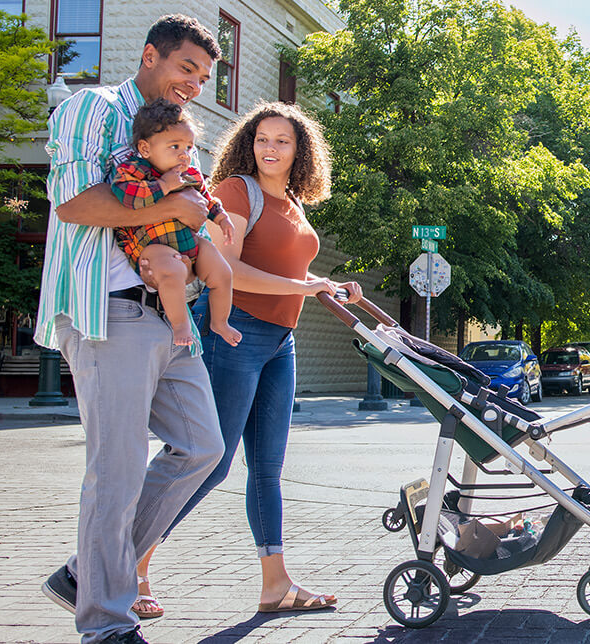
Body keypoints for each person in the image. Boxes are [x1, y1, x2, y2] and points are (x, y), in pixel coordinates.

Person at [37, 15, 225, 644]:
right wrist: (171, 205)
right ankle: (106, 625)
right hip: (107, 307)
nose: (194, 83)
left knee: (201, 448)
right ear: (150, 56)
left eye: (203, 75)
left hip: (170, 310)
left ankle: (85, 574)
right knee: (115, 470)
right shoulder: (93, 109)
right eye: (185, 68)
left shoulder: (181, 133)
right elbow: (73, 204)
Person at [132, 101, 363, 616]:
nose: (270, 148)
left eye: (282, 140)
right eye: (262, 139)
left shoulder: (293, 203)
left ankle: (275, 586)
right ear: (248, 143)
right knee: (205, 462)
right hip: (234, 335)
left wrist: (325, 289)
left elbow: (289, 270)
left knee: (267, 470)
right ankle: (132, 564)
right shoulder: (238, 191)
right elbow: (227, 270)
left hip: (282, 341)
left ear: (301, 150)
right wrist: (308, 287)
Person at [112, 99, 241, 349]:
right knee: (172, 272)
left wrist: (222, 217)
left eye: (189, 147)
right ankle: (180, 324)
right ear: (146, 148)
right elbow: (126, 196)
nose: (184, 154)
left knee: (223, 272)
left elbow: (207, 199)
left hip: (190, 241)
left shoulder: (190, 174)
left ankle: (220, 322)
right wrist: (163, 186)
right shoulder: (136, 170)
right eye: (175, 146)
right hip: (153, 245)